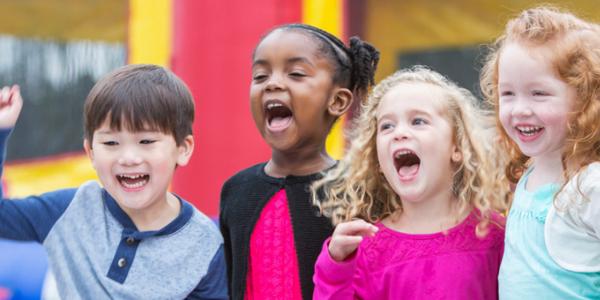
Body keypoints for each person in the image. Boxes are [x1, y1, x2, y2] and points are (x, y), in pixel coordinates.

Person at [0, 65, 227, 299]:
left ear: (183, 149)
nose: (128, 158)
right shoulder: (70, 211)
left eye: (146, 141)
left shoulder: (205, 246)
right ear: (91, 153)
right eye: (111, 143)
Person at [312, 66, 508, 299]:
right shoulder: (366, 250)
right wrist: (335, 267)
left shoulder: (494, 233)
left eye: (418, 121)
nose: (399, 133)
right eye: (387, 126)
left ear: (457, 147)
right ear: (377, 160)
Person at [219, 24, 379, 300]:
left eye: (295, 74)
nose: (273, 83)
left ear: (338, 101)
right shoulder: (236, 190)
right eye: (260, 75)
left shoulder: (359, 187)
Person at [480, 6, 600, 299]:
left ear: (585, 99)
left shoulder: (590, 186)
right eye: (508, 93)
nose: (520, 109)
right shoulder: (531, 173)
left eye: (539, 93)